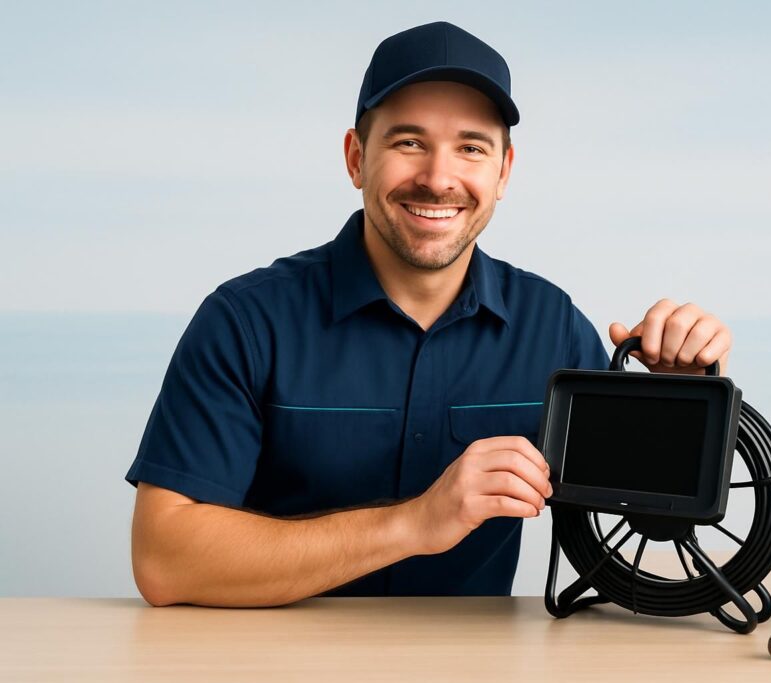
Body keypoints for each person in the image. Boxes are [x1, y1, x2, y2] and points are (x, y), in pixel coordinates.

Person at [125, 21, 733, 608]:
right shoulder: (244, 323)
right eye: (408, 142)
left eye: (471, 148)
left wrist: (684, 402)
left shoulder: (551, 326)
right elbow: (166, 560)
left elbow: (637, 513)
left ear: (503, 172)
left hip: (473, 664)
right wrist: (416, 523)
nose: (439, 178)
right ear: (356, 157)